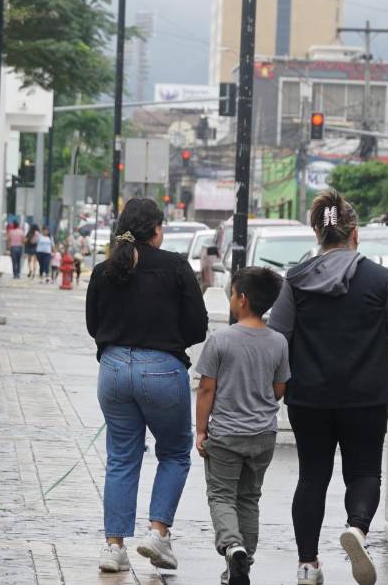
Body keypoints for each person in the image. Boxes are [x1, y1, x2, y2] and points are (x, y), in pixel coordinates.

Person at [267, 189, 388, 585]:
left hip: (309, 397)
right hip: (365, 397)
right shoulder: (380, 279)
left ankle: (307, 564)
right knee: (364, 473)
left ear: (317, 235)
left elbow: (277, 337)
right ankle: (356, 529)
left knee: (312, 476)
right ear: (354, 234)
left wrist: (274, 385)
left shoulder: (295, 280)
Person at [86, 197, 208, 574]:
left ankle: (113, 547)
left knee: (122, 456)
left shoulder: (104, 269)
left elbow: (94, 325)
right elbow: (197, 326)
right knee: (173, 452)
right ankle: (157, 534)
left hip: (114, 369)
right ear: (156, 230)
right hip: (162, 369)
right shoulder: (175, 266)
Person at [195, 266, 289, 585]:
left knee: (221, 495)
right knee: (249, 498)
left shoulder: (221, 340)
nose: (231, 299)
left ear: (243, 299)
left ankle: (232, 547)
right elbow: (279, 390)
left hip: (225, 434)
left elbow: (206, 389)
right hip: (263, 434)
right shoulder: (278, 342)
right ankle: (243, 560)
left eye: (233, 294)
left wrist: (200, 430)